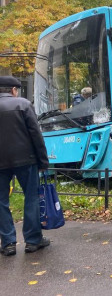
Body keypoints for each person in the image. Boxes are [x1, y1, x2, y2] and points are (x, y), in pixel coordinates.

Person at [0, 76, 51, 257]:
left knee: (1, 202)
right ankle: (33, 240)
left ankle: (8, 244)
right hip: (26, 160)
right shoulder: (23, 105)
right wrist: (43, 161)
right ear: (13, 90)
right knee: (31, 198)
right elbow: (35, 134)